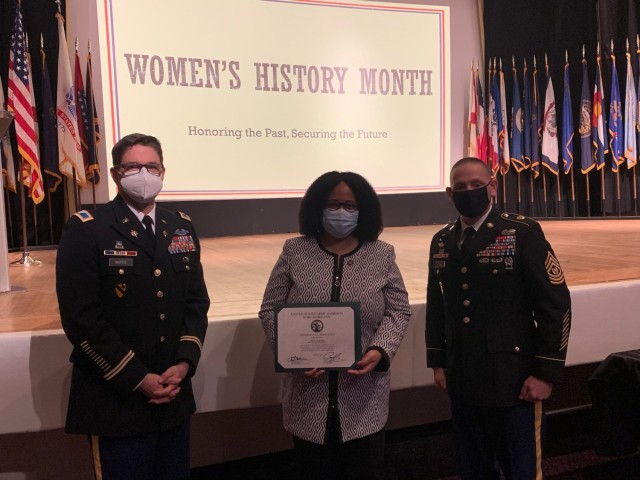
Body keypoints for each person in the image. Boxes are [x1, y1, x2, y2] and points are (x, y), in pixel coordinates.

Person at [56, 133, 210, 480]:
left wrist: (185, 363)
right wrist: (137, 377)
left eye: (151, 166)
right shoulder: (87, 230)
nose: (144, 173)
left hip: (173, 398)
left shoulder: (180, 227)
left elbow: (196, 302)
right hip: (115, 401)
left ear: (163, 171)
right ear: (115, 174)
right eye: (133, 167)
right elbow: (81, 319)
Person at [425, 157, 572, 480]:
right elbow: (438, 306)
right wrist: (438, 362)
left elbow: (555, 305)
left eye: (476, 184)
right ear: (450, 194)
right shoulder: (442, 241)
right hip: (463, 378)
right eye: (460, 187)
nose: (469, 191)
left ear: (492, 186)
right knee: (472, 468)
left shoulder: (521, 232)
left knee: (520, 469)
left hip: (514, 381)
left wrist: (546, 373)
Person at [259, 171, 411, 480]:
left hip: (363, 401)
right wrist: (293, 355)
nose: (341, 212)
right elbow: (270, 309)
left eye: (350, 205)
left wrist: (380, 350)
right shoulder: (294, 252)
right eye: (332, 204)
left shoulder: (382, 255)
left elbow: (399, 310)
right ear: (317, 207)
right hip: (307, 400)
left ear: (363, 209)